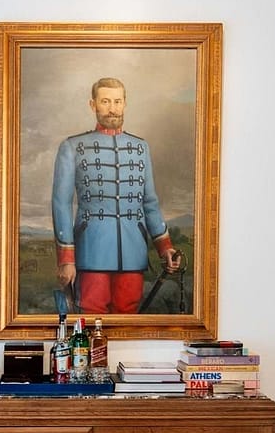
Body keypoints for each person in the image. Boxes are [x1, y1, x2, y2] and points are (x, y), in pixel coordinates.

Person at [50, 77, 181, 314]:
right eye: (106, 101)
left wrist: (165, 248)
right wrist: (67, 259)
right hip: (92, 250)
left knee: (128, 318)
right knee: (91, 317)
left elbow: (149, 202)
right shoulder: (72, 146)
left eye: (117, 101)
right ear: (93, 105)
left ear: (125, 104)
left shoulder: (140, 147)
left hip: (133, 251)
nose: (112, 108)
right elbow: (61, 203)